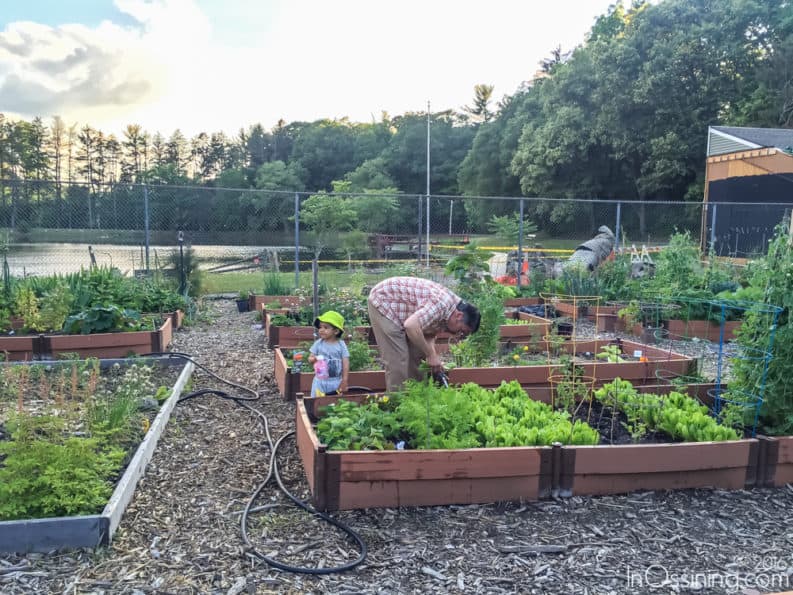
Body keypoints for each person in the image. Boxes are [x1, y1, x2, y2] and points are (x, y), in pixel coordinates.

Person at [367, 277, 480, 392]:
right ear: (459, 316)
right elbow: (411, 326)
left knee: (418, 353)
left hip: (405, 314)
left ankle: (417, 398)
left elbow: (429, 334)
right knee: (399, 359)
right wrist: (431, 355)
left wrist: (432, 355)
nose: (458, 335)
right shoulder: (440, 305)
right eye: (461, 331)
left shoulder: (450, 312)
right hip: (385, 301)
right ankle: (397, 405)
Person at [308, 310, 350, 397]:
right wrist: (314, 359)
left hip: (336, 381)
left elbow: (345, 362)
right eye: (320, 327)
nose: (321, 330)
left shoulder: (341, 345)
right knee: (317, 402)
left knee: (335, 403)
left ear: (336, 331)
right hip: (320, 381)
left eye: (326, 327)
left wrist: (344, 380)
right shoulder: (318, 343)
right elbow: (310, 358)